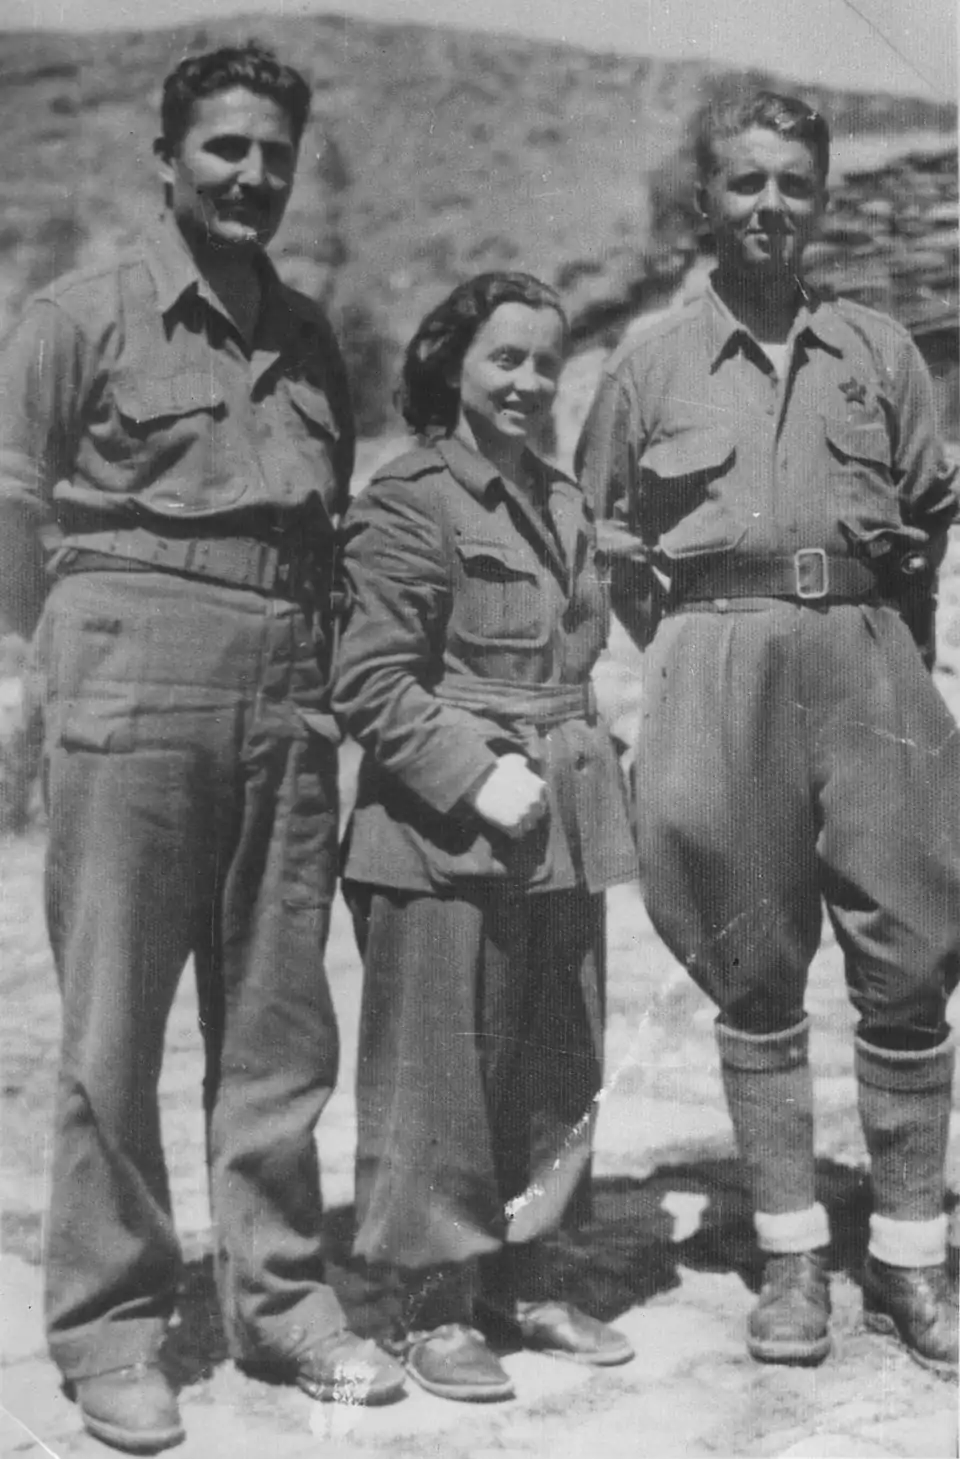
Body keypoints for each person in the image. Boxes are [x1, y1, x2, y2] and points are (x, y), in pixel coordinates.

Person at [0, 43, 405, 1452]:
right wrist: (42, 667)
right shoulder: (80, 314)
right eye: (226, 148)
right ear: (166, 158)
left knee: (282, 1022)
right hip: (130, 666)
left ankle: (281, 1299)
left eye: (274, 154)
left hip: (285, 678)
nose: (251, 174)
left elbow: (328, 515)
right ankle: (112, 1326)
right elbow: (9, 503)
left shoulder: (306, 334)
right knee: (114, 1025)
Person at [576, 90, 960, 1376]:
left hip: (866, 652)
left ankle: (909, 1255)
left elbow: (928, 512)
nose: (771, 205)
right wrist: (689, 654)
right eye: (746, 181)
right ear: (706, 200)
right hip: (714, 657)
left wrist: (890, 653)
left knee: (912, 949)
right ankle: (792, 1255)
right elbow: (603, 534)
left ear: (824, 200)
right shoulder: (649, 365)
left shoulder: (879, 351)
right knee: (750, 957)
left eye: (795, 182)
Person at [332, 272, 637, 1401]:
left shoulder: (559, 499)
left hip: (562, 817)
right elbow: (369, 678)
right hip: (443, 832)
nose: (529, 381)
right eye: (505, 357)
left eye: (546, 362)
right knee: (438, 1074)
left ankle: (526, 1273)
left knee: (558, 1057)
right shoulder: (409, 497)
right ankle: (431, 1301)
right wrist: (471, 777)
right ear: (450, 364)